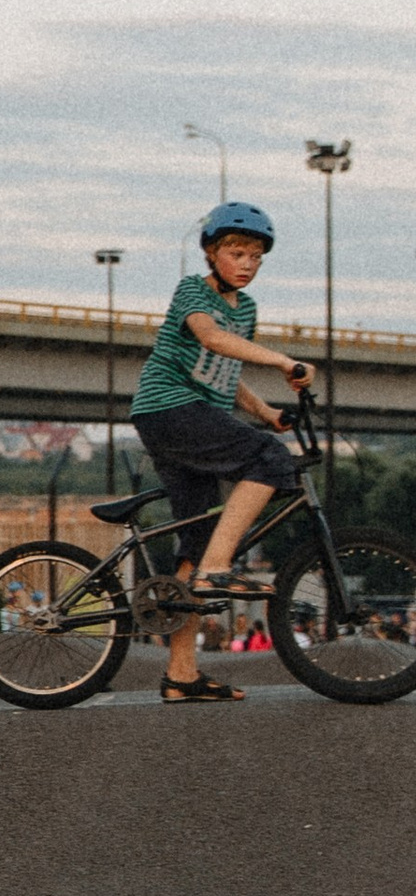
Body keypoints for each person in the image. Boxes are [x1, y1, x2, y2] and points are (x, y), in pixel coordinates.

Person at [129, 201, 311, 705]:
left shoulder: (246, 309)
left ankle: (181, 676)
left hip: (194, 415)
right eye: (236, 252)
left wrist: (267, 412)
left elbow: (223, 373)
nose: (247, 263)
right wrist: (281, 358)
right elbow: (209, 337)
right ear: (212, 252)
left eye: (256, 256)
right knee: (271, 460)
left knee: (195, 543)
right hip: (168, 410)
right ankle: (216, 568)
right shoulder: (193, 290)